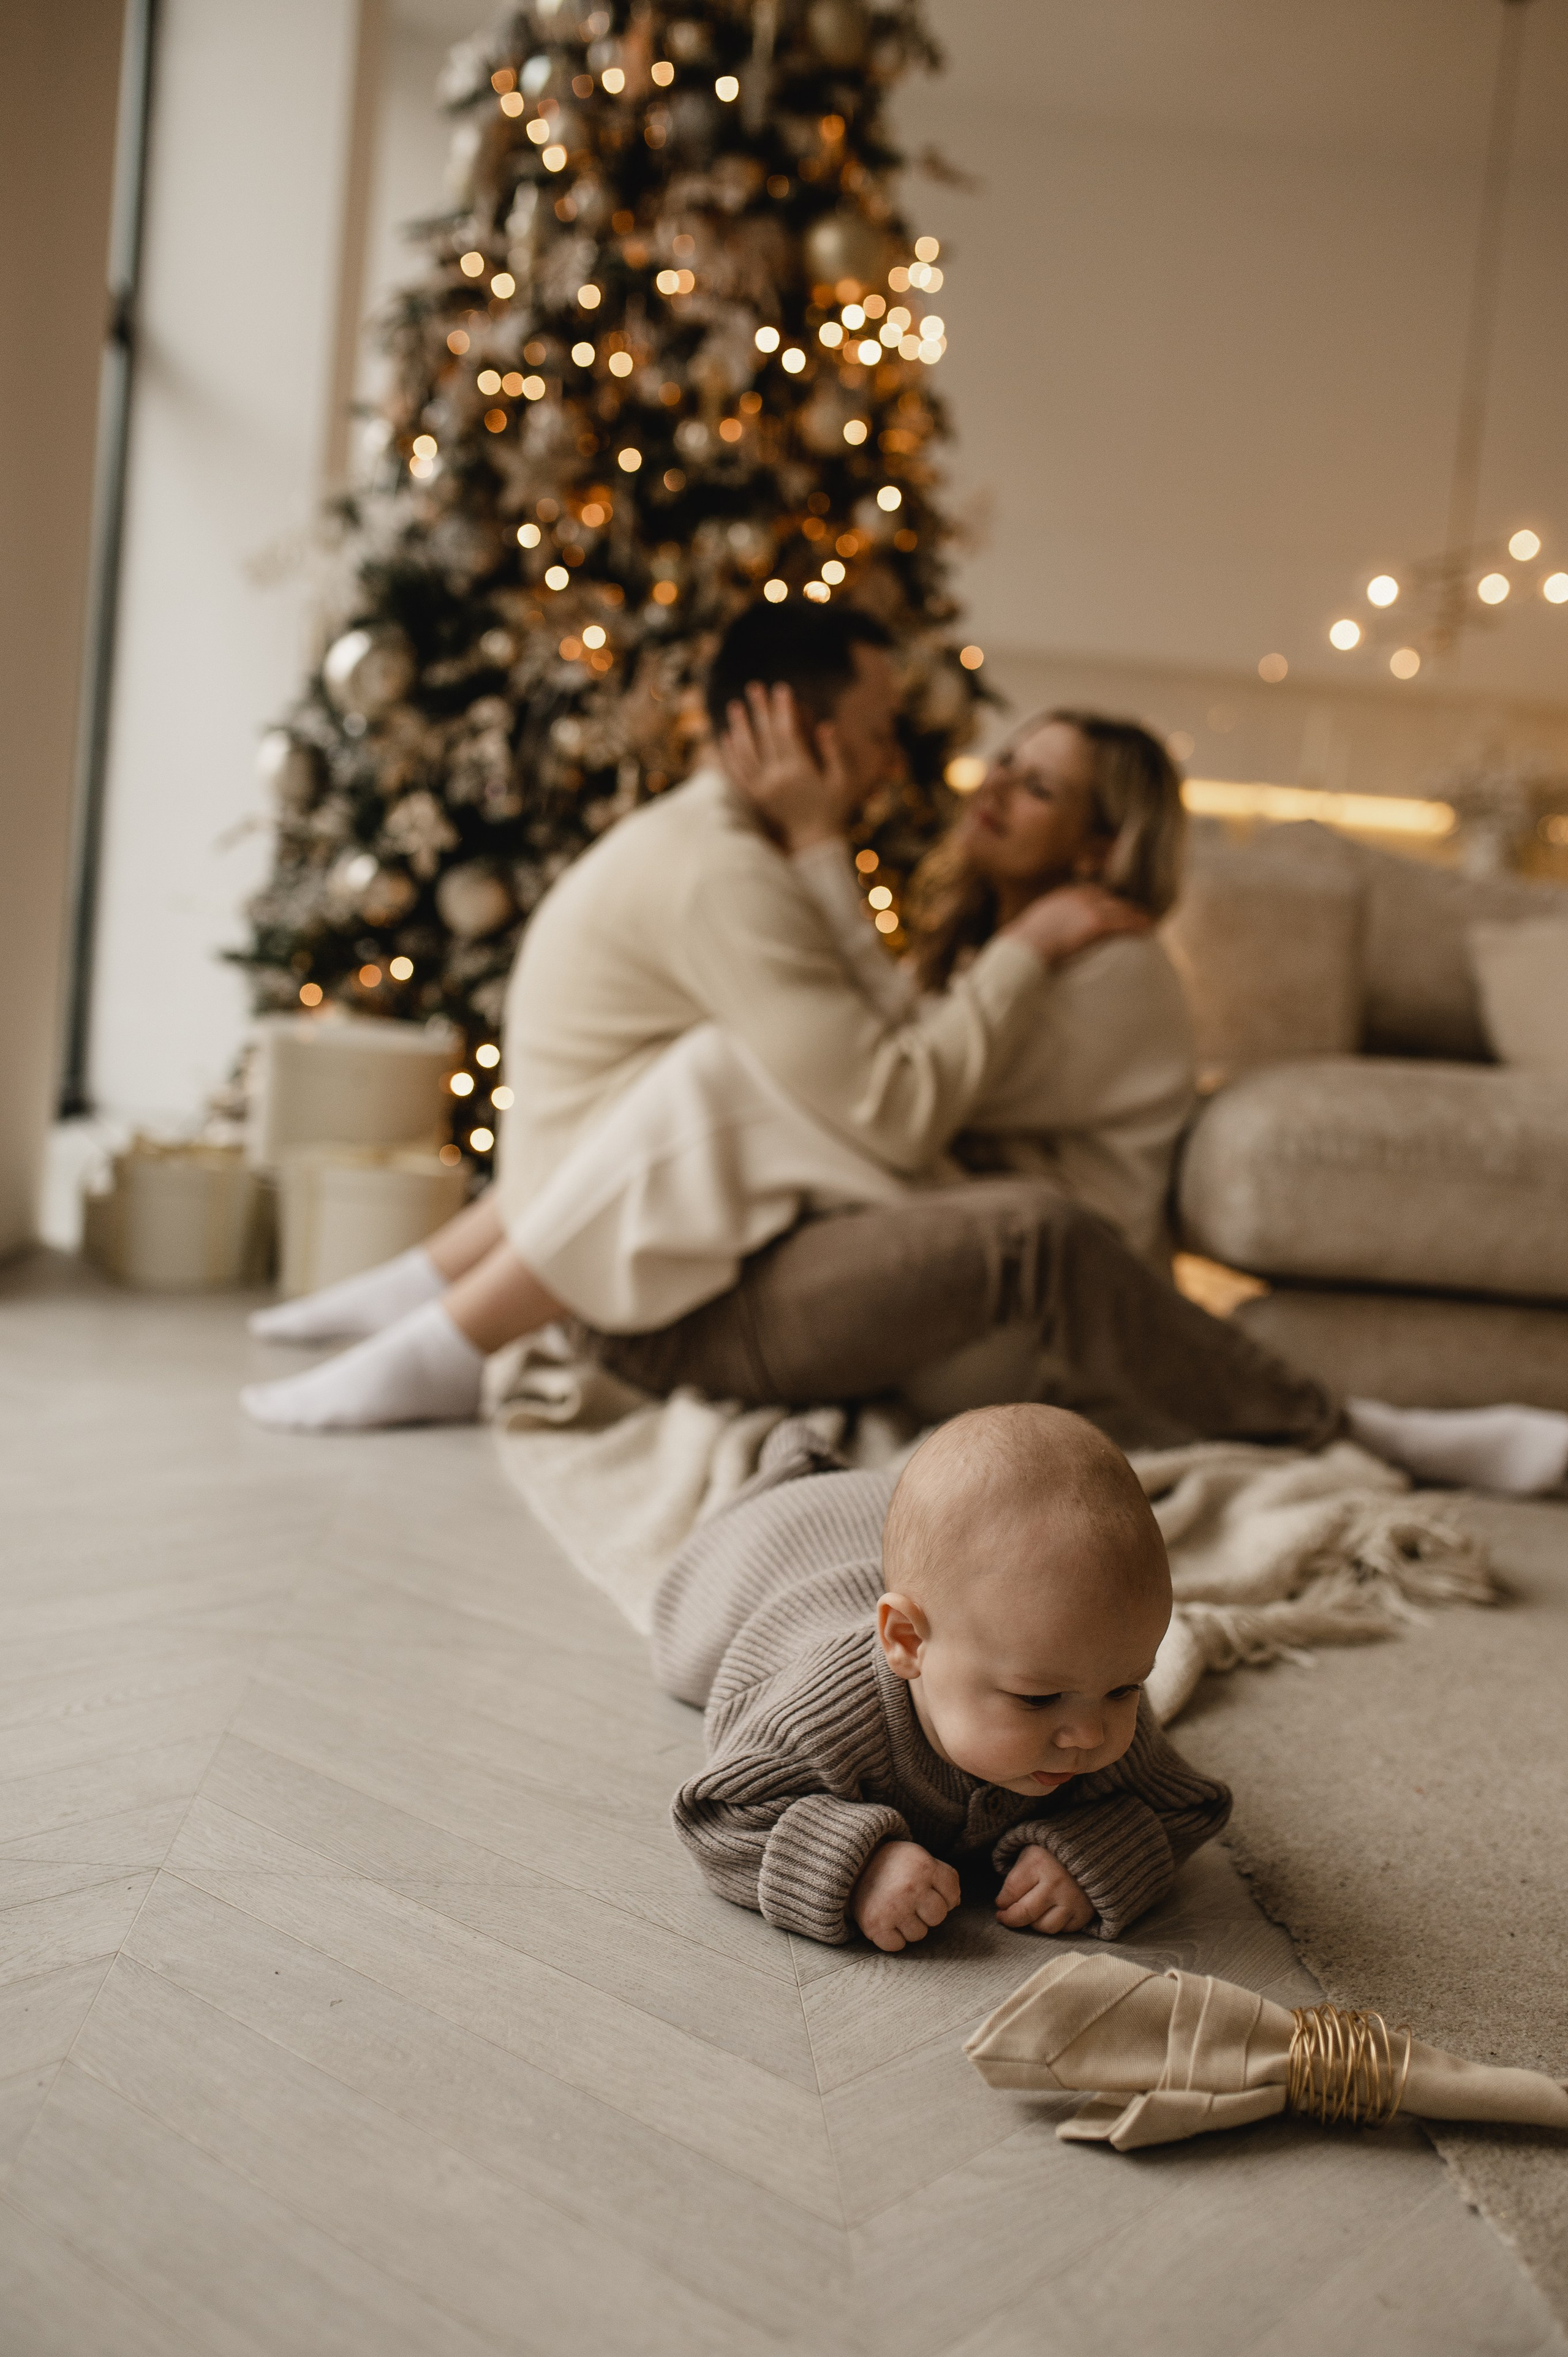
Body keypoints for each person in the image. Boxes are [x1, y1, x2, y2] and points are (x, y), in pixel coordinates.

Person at [240, 601, 1568, 1496]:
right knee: (727, 1074)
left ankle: (1364, 1431)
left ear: (1098, 849)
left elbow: (900, 1102)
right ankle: (431, 1318)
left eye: (1033, 786)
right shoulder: (978, 952)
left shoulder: (1099, 970)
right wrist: (869, 877)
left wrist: (996, 941)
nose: (979, 785)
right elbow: (892, 1063)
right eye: (1001, 765)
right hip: (883, 1243)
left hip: (1016, 1294)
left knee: (756, 1089)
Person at [653, 1402, 1231, 1950]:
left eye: (1127, 1688)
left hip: (888, 1526)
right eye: (1037, 1698)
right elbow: (718, 1815)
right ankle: (791, 1465)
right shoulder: (821, 1718)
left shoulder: (1086, 1673)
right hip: (775, 1551)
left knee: (940, 1539)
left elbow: (1186, 1806)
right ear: (906, 1644)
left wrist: (1097, 1854)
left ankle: (820, 1465)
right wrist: (857, 1866)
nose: (1089, 1735)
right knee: (681, 1644)